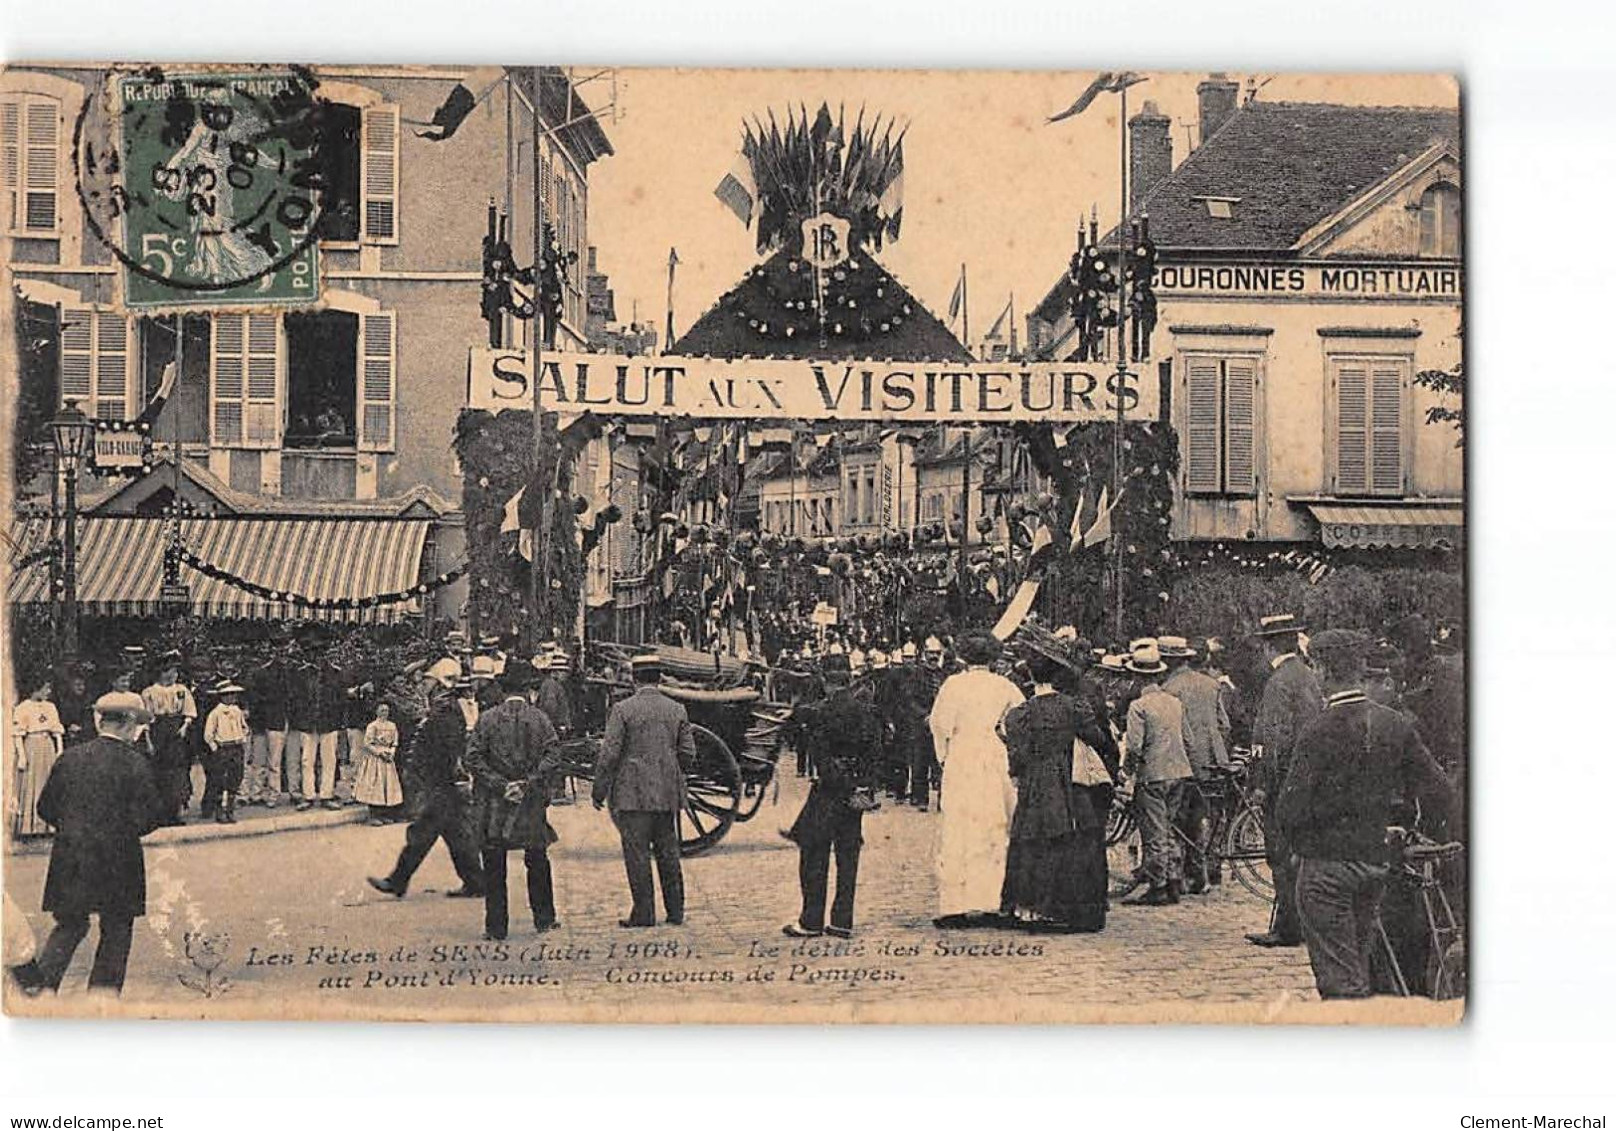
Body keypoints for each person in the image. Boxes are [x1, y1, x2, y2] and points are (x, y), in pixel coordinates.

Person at [1276, 629, 1456, 999]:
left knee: (1340, 981)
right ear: (1359, 669)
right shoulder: (1395, 723)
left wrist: (1303, 846)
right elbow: (1440, 788)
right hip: (1377, 864)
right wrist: (1405, 828)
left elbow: (1289, 811)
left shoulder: (1316, 730)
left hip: (1327, 868)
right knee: (1362, 963)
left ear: (1323, 670)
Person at [9, 692, 162, 996]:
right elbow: (152, 816)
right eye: (136, 726)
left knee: (70, 924)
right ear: (128, 723)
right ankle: (101, 1000)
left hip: (71, 857)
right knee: (117, 928)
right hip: (119, 859)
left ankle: (40, 991)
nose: (136, 733)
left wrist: (74, 829)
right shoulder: (135, 763)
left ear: (100, 721)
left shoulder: (69, 758)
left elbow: (45, 808)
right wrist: (120, 831)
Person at [1000, 653, 1112, 933]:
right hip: (1071, 782)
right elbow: (1098, 739)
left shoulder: (1021, 714)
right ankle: (1073, 910)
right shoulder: (1074, 707)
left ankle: (1032, 908)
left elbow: (1017, 755)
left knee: (1032, 841)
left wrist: (1018, 772)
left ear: (1031, 678)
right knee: (1077, 840)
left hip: (1036, 784)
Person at [927, 632, 1025, 928]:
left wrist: (943, 757)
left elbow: (938, 724)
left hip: (962, 755)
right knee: (995, 825)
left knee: (958, 826)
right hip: (993, 756)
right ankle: (993, 902)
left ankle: (955, 906)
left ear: (963, 657)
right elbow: (1020, 718)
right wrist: (1005, 742)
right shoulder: (1004, 685)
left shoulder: (953, 685)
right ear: (993, 658)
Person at [781, 653, 882, 939]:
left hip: (829, 791)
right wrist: (862, 787)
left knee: (814, 853)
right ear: (849, 679)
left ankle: (811, 921)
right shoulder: (867, 711)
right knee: (848, 856)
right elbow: (875, 753)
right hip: (855, 795)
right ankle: (842, 922)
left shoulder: (821, 713)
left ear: (825, 681)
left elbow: (820, 756)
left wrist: (842, 784)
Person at [592, 652, 695, 929]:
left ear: (635, 679)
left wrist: (599, 790)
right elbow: (688, 753)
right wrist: (671, 771)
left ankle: (644, 913)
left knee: (637, 854)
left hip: (632, 794)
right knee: (668, 852)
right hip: (666, 794)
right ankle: (676, 911)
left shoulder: (623, 710)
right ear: (660, 678)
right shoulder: (677, 709)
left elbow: (609, 754)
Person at [463, 668, 563, 940]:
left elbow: (472, 758)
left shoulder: (487, 720)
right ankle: (544, 919)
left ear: (502, 692)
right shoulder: (540, 719)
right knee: (537, 859)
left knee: (494, 864)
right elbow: (554, 756)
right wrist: (528, 783)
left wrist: (501, 784)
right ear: (529, 692)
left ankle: (496, 928)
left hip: (496, 803)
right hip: (529, 803)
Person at [368, 665, 484, 901]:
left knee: (424, 832)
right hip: (444, 784)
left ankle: (398, 881)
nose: (425, 686)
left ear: (442, 686)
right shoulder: (446, 711)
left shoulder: (445, 713)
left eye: (431, 683)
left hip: (442, 783)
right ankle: (475, 882)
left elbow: (448, 752)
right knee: (455, 834)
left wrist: (445, 778)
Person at [1246, 613, 1324, 948]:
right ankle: (1301, 922)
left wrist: (1264, 784)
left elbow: (1274, 740)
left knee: (1279, 854)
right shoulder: (1309, 676)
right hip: (1308, 777)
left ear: (1268, 647)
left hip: (1283, 782)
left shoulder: (1278, 682)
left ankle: (1287, 926)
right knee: (1300, 854)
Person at [1113, 639, 1196, 906]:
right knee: (1170, 827)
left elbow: (1135, 747)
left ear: (1137, 677)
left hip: (1153, 774)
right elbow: (1189, 739)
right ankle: (1174, 880)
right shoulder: (1175, 702)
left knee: (1154, 832)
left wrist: (1126, 773)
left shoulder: (1138, 707)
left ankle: (1157, 886)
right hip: (1179, 771)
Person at [1160, 636, 1231, 893]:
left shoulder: (1169, 689)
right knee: (1206, 816)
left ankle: (1181, 875)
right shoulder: (1211, 685)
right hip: (1212, 761)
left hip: (1182, 760)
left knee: (1178, 817)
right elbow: (1224, 725)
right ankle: (1207, 872)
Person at [141, 654, 197, 826]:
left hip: (176, 731)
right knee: (158, 771)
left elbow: (189, 712)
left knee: (177, 771)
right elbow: (146, 719)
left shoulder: (181, 690)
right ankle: (159, 813)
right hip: (159, 731)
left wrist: (184, 727)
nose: (172, 675)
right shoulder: (149, 692)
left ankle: (176, 811)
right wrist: (149, 741)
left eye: (174, 672)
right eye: (169, 672)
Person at [11, 680, 64, 837]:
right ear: (35, 688)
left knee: (49, 782)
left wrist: (59, 751)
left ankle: (49, 825)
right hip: (32, 747)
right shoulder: (22, 708)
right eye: (45, 688)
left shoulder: (50, 707)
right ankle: (30, 826)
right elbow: (17, 733)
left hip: (48, 746)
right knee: (33, 782)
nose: (48, 691)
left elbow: (56, 730)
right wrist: (21, 755)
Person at [202, 681, 251, 823]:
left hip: (236, 747)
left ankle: (230, 810)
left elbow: (244, 727)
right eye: (229, 695)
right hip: (223, 748)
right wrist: (215, 748)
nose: (232, 697)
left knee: (235, 778)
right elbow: (208, 734)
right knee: (220, 780)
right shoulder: (215, 713)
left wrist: (242, 739)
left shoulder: (237, 711)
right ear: (222, 697)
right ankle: (219, 812)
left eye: (234, 694)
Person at [353, 703, 404, 824]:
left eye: (386, 710)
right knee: (375, 785)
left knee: (387, 786)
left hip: (388, 759)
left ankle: (384, 814)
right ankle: (373, 815)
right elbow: (367, 743)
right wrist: (379, 753)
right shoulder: (372, 726)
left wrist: (391, 752)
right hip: (375, 759)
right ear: (376, 711)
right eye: (381, 710)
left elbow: (395, 742)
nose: (384, 713)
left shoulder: (392, 725)